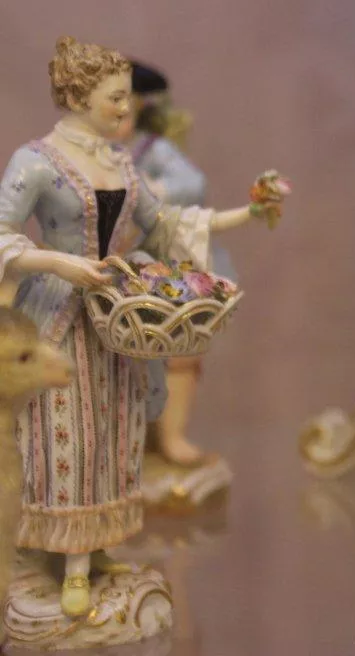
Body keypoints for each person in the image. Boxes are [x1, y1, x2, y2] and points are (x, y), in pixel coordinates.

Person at [0, 37, 280, 616]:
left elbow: (166, 224)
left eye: (127, 98)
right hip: (58, 315)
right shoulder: (35, 160)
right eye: (116, 98)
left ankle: (98, 548)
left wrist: (248, 212)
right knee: (67, 433)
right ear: (79, 97)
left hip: (116, 316)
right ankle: (70, 562)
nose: (127, 109)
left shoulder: (120, 162)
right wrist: (58, 263)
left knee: (113, 429)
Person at [112, 61, 236, 467]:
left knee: (179, 352)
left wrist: (152, 189)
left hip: (161, 270)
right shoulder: (87, 153)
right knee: (116, 359)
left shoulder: (152, 151)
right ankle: (120, 443)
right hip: (109, 270)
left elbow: (192, 184)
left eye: (122, 113)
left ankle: (172, 436)